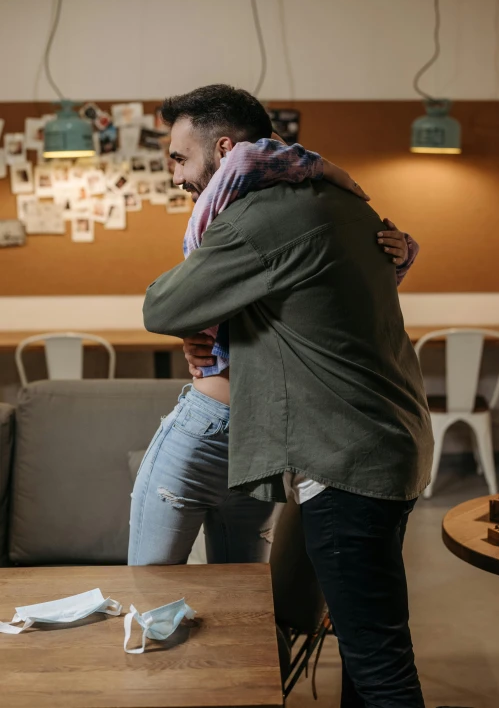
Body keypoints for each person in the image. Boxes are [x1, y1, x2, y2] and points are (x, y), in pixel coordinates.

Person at [138, 84, 433, 707]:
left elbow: (162, 305)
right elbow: (312, 304)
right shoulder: (339, 197)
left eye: (180, 159)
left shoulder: (259, 217)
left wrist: (202, 321)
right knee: (365, 644)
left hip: (345, 457)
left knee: (379, 665)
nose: (176, 177)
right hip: (393, 443)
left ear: (225, 150)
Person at [129, 124, 417, 569]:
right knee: (172, 590)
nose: (176, 177)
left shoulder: (269, 201)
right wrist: (201, 332)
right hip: (219, 434)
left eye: (181, 159)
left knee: (241, 603)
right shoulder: (256, 216)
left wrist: (399, 249)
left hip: (257, 444)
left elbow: (253, 156)